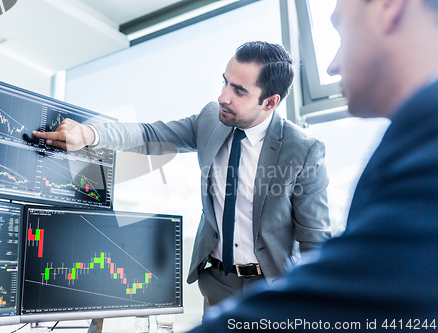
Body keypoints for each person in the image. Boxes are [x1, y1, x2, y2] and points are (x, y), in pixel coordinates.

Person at [181, 0, 438, 331]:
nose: (331, 67)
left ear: (388, 8)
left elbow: (352, 288)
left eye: (341, 33)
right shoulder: (414, 135)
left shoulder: (425, 138)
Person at [33, 42, 331, 309]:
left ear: (270, 102)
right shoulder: (211, 119)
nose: (223, 96)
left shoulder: (303, 149)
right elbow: (150, 134)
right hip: (217, 281)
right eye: (225, 82)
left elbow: (314, 239)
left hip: (273, 286)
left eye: (239, 91)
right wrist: (91, 133)